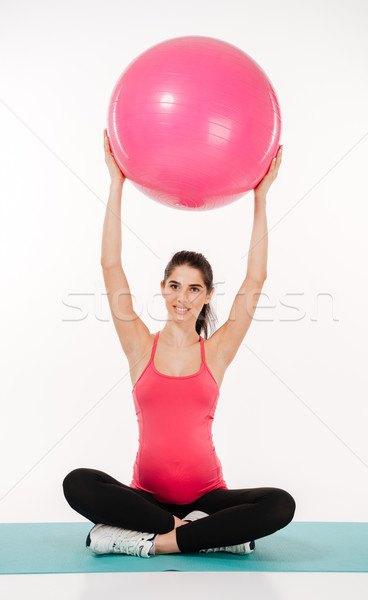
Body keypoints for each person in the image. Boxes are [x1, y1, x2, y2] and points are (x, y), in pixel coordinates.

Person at [62, 130, 295, 559]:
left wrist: (261, 198)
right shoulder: (138, 345)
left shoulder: (218, 351)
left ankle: (154, 542)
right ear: (163, 289)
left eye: (193, 289)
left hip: (208, 499)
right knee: (77, 482)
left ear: (206, 296)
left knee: (280, 504)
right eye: (174, 286)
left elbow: (255, 280)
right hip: (146, 500)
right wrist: (117, 183)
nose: (181, 298)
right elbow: (110, 266)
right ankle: (199, 535)